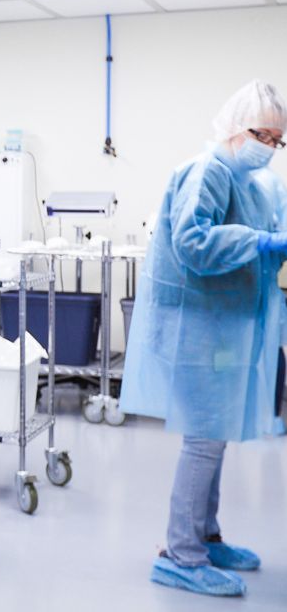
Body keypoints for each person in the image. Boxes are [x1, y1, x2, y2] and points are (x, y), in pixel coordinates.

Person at [121, 79, 287, 598]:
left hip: (227, 324)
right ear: (238, 128)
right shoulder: (207, 171)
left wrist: (273, 245)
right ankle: (180, 554)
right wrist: (259, 241)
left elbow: (261, 247)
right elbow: (193, 242)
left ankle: (205, 536)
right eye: (265, 135)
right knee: (203, 439)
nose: (271, 148)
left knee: (214, 433)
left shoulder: (256, 185)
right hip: (196, 324)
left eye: (279, 141)